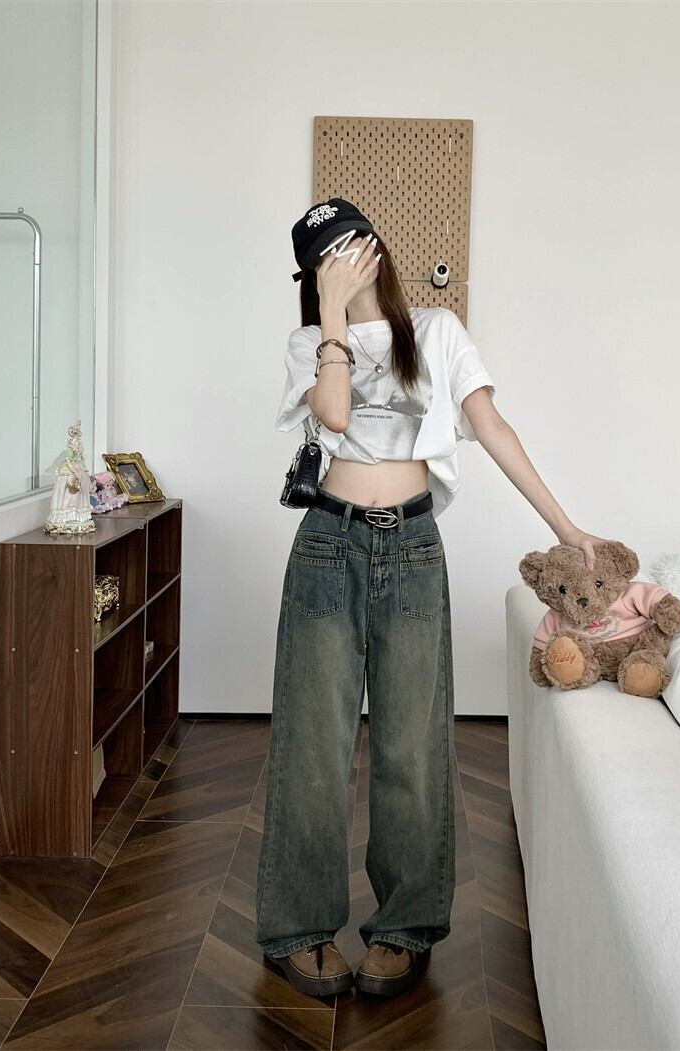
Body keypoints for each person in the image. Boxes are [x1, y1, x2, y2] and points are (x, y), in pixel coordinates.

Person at [256, 197, 608, 999]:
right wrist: (331, 312)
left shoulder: (438, 332)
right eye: (325, 256)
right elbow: (334, 412)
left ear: (377, 246)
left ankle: (404, 927)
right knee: (313, 745)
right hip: (328, 544)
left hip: (412, 546)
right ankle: (299, 928)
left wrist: (566, 527)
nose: (345, 259)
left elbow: (493, 428)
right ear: (312, 277)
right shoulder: (309, 344)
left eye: (352, 242)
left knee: (412, 746)